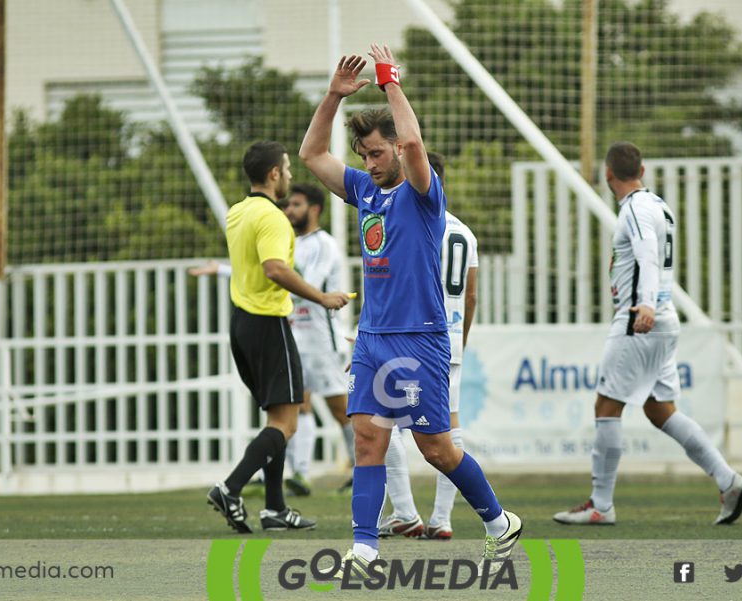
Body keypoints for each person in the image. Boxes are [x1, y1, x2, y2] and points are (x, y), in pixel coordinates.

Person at [299, 45, 521, 578]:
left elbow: (416, 141)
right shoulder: (362, 191)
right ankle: (365, 548)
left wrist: (389, 82)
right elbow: (311, 154)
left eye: (376, 153)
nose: (368, 163)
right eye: (363, 155)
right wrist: (333, 95)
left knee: (437, 449)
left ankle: (498, 523)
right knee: (368, 438)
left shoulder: (423, 194)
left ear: (396, 150)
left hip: (420, 338)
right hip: (374, 337)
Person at [553, 141, 742, 526]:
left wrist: (643, 303)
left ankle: (600, 505)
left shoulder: (635, 210)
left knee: (606, 407)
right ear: (641, 170)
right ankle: (728, 481)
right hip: (663, 320)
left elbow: (646, 253)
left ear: (608, 174)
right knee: (660, 409)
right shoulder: (658, 205)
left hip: (639, 319)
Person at [203, 141, 350, 533]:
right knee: (286, 423)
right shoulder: (272, 218)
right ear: (273, 174)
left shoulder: (238, 212)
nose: (289, 175)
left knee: (277, 419)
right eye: (285, 169)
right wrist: (321, 297)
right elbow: (274, 269)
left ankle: (275, 508)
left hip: (242, 324)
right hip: (269, 323)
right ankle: (230, 488)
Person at [379, 152, 479, 541]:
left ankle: (404, 510)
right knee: (449, 427)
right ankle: (442, 518)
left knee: (380, 422)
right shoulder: (466, 234)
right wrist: (462, 341)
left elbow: (396, 283)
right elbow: (470, 298)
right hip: (450, 342)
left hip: (413, 335)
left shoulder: (415, 224)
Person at [281, 183, 359, 496]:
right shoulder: (289, 243)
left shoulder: (323, 244)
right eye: (288, 205)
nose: (289, 210)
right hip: (296, 333)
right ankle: (300, 474)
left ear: (314, 209)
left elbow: (310, 284)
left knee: (340, 408)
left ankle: (361, 467)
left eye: (296, 205)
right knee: (299, 402)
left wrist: (276, 294)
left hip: (322, 337)